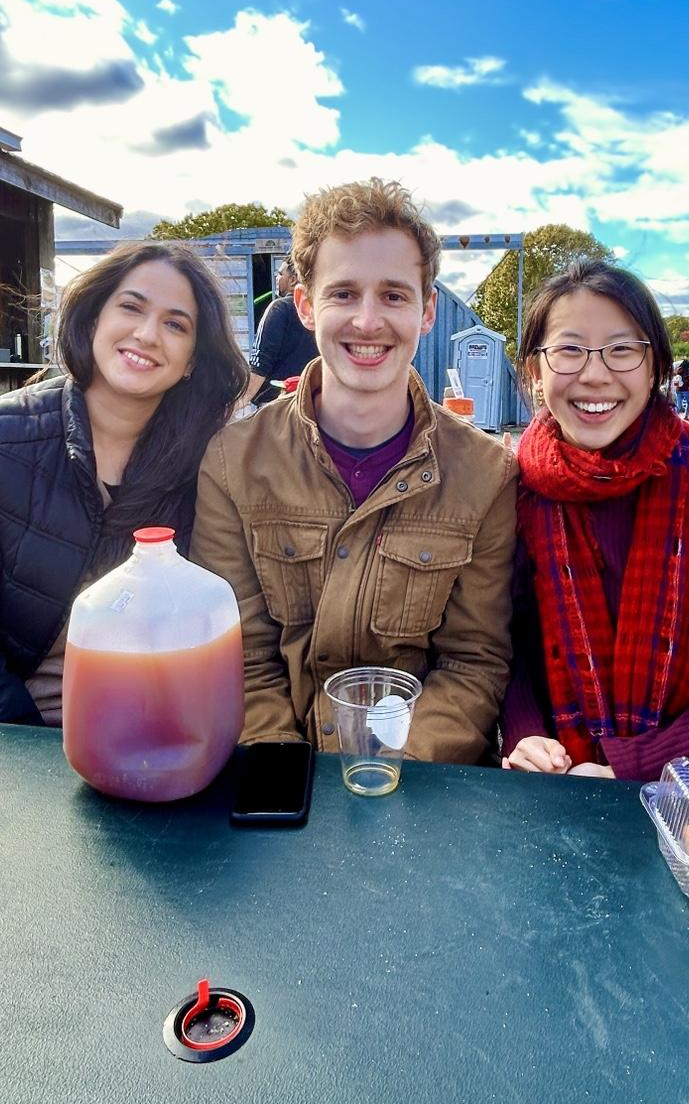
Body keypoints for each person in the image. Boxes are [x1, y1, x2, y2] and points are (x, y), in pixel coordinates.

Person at [191, 178, 518, 762]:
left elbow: (473, 663)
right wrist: (286, 774)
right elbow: (236, 658)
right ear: (306, 306)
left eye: (394, 296)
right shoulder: (231, 462)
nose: (368, 322)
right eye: (344, 294)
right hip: (279, 788)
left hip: (419, 791)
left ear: (427, 310)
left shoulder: (486, 473)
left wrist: (383, 771)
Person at [0, 241, 247, 724]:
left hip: (151, 731)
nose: (147, 334)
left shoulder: (213, 463)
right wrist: (40, 767)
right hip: (1, 728)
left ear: (194, 360)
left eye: (176, 325)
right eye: (131, 307)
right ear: (93, 319)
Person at [501, 262, 689, 782]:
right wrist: (526, 736)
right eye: (568, 349)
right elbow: (511, 644)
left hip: (686, 793)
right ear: (535, 370)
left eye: (622, 349)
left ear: (656, 368)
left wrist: (623, 768)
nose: (595, 374)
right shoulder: (516, 489)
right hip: (551, 781)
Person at [239, 256, 318, 409]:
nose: (277, 277)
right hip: (311, 406)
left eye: (281, 274)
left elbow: (260, 363)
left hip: (277, 407)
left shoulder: (279, 308)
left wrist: (238, 403)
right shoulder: (317, 312)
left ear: (293, 280)